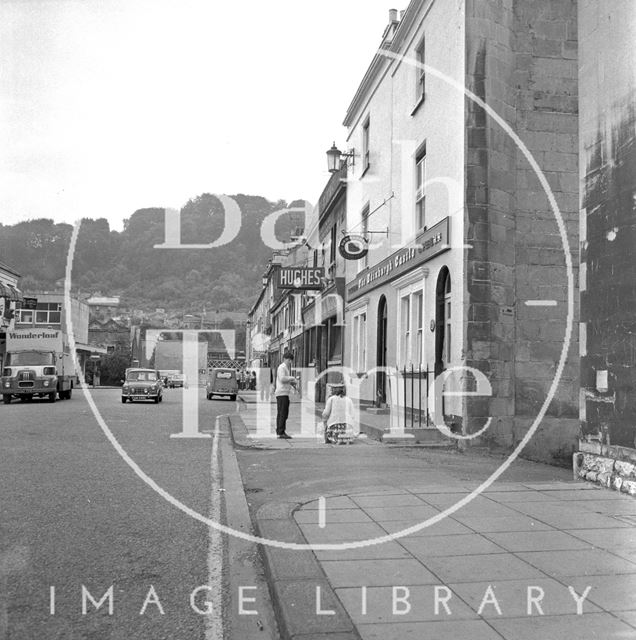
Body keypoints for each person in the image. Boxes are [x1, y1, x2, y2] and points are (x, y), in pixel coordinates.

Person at [275, 352, 297, 439]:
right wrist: (292, 378)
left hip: (284, 392)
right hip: (282, 393)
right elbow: (282, 379)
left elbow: (284, 380)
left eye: (291, 361)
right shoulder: (282, 367)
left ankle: (280, 431)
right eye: (289, 360)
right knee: (283, 413)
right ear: (285, 359)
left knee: (282, 413)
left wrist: (292, 383)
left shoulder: (285, 368)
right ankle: (281, 432)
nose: (290, 362)